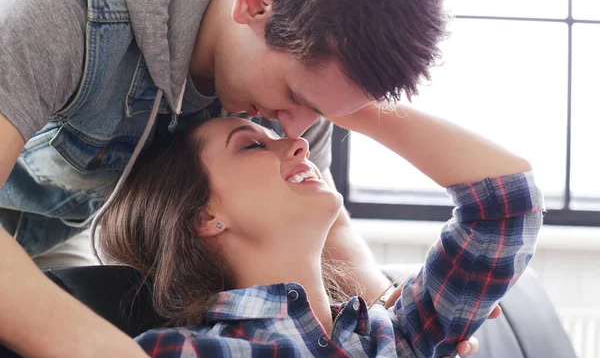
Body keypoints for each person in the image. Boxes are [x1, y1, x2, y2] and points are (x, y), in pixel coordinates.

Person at [0, 0, 489, 356]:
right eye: (298, 97)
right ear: (255, 6)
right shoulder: (64, 5)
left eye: (325, 112)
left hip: (62, 234)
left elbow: (332, 226)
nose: (297, 131)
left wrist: (385, 308)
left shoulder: (290, 93)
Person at [96, 102, 543, 357]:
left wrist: (353, 106)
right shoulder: (180, 353)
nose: (298, 141)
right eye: (252, 145)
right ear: (205, 217)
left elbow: (506, 200)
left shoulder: (393, 336)